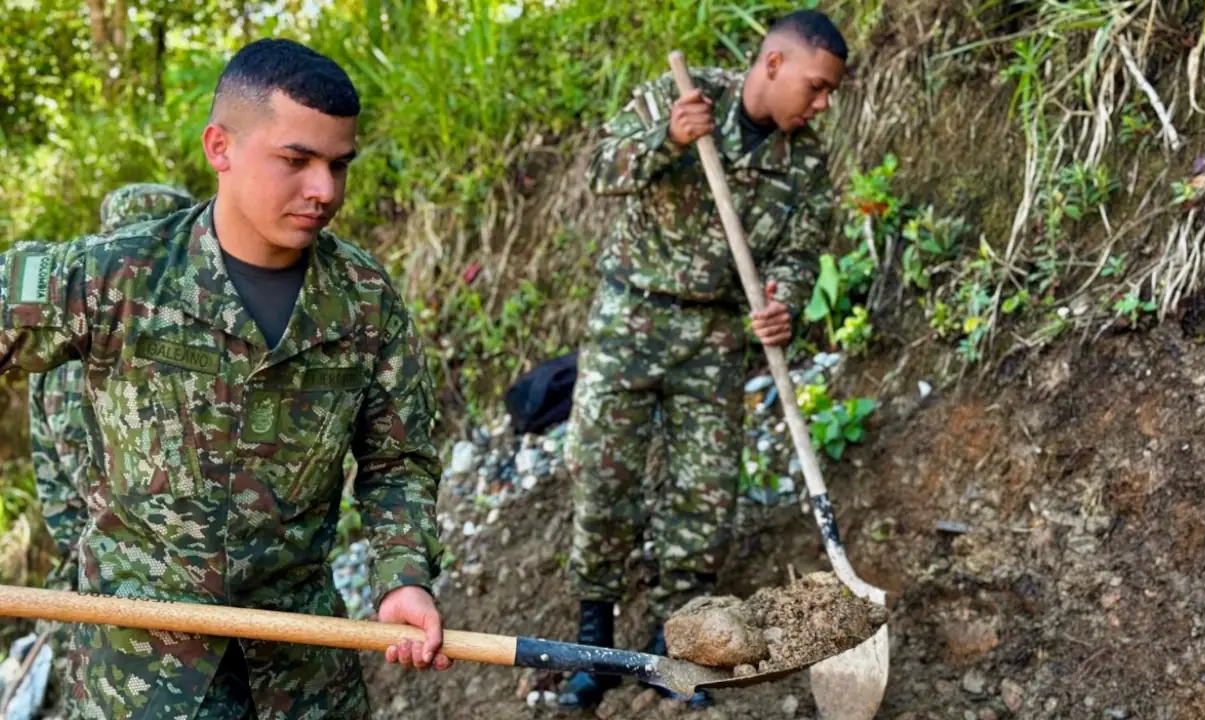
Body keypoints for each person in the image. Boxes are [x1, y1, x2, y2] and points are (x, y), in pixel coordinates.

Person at [0, 38, 449, 719]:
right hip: (143, 677)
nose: (324, 190)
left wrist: (404, 576)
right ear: (221, 147)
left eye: (338, 164)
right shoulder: (116, 274)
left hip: (300, 670)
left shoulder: (364, 299)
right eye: (296, 161)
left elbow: (399, 461)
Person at [559, 9, 848, 710]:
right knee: (603, 474)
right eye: (815, 86)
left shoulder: (805, 158)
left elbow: (800, 251)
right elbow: (601, 169)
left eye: (830, 92)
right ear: (773, 64)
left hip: (717, 335)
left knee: (705, 493)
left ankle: (677, 646)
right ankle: (592, 639)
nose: (822, 103)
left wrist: (783, 298)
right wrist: (668, 138)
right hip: (633, 314)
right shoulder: (682, 97)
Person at [29, 182, 196, 704]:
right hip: (193, 601)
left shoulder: (52, 355)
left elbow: (56, 497)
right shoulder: (192, 339)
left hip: (102, 598)